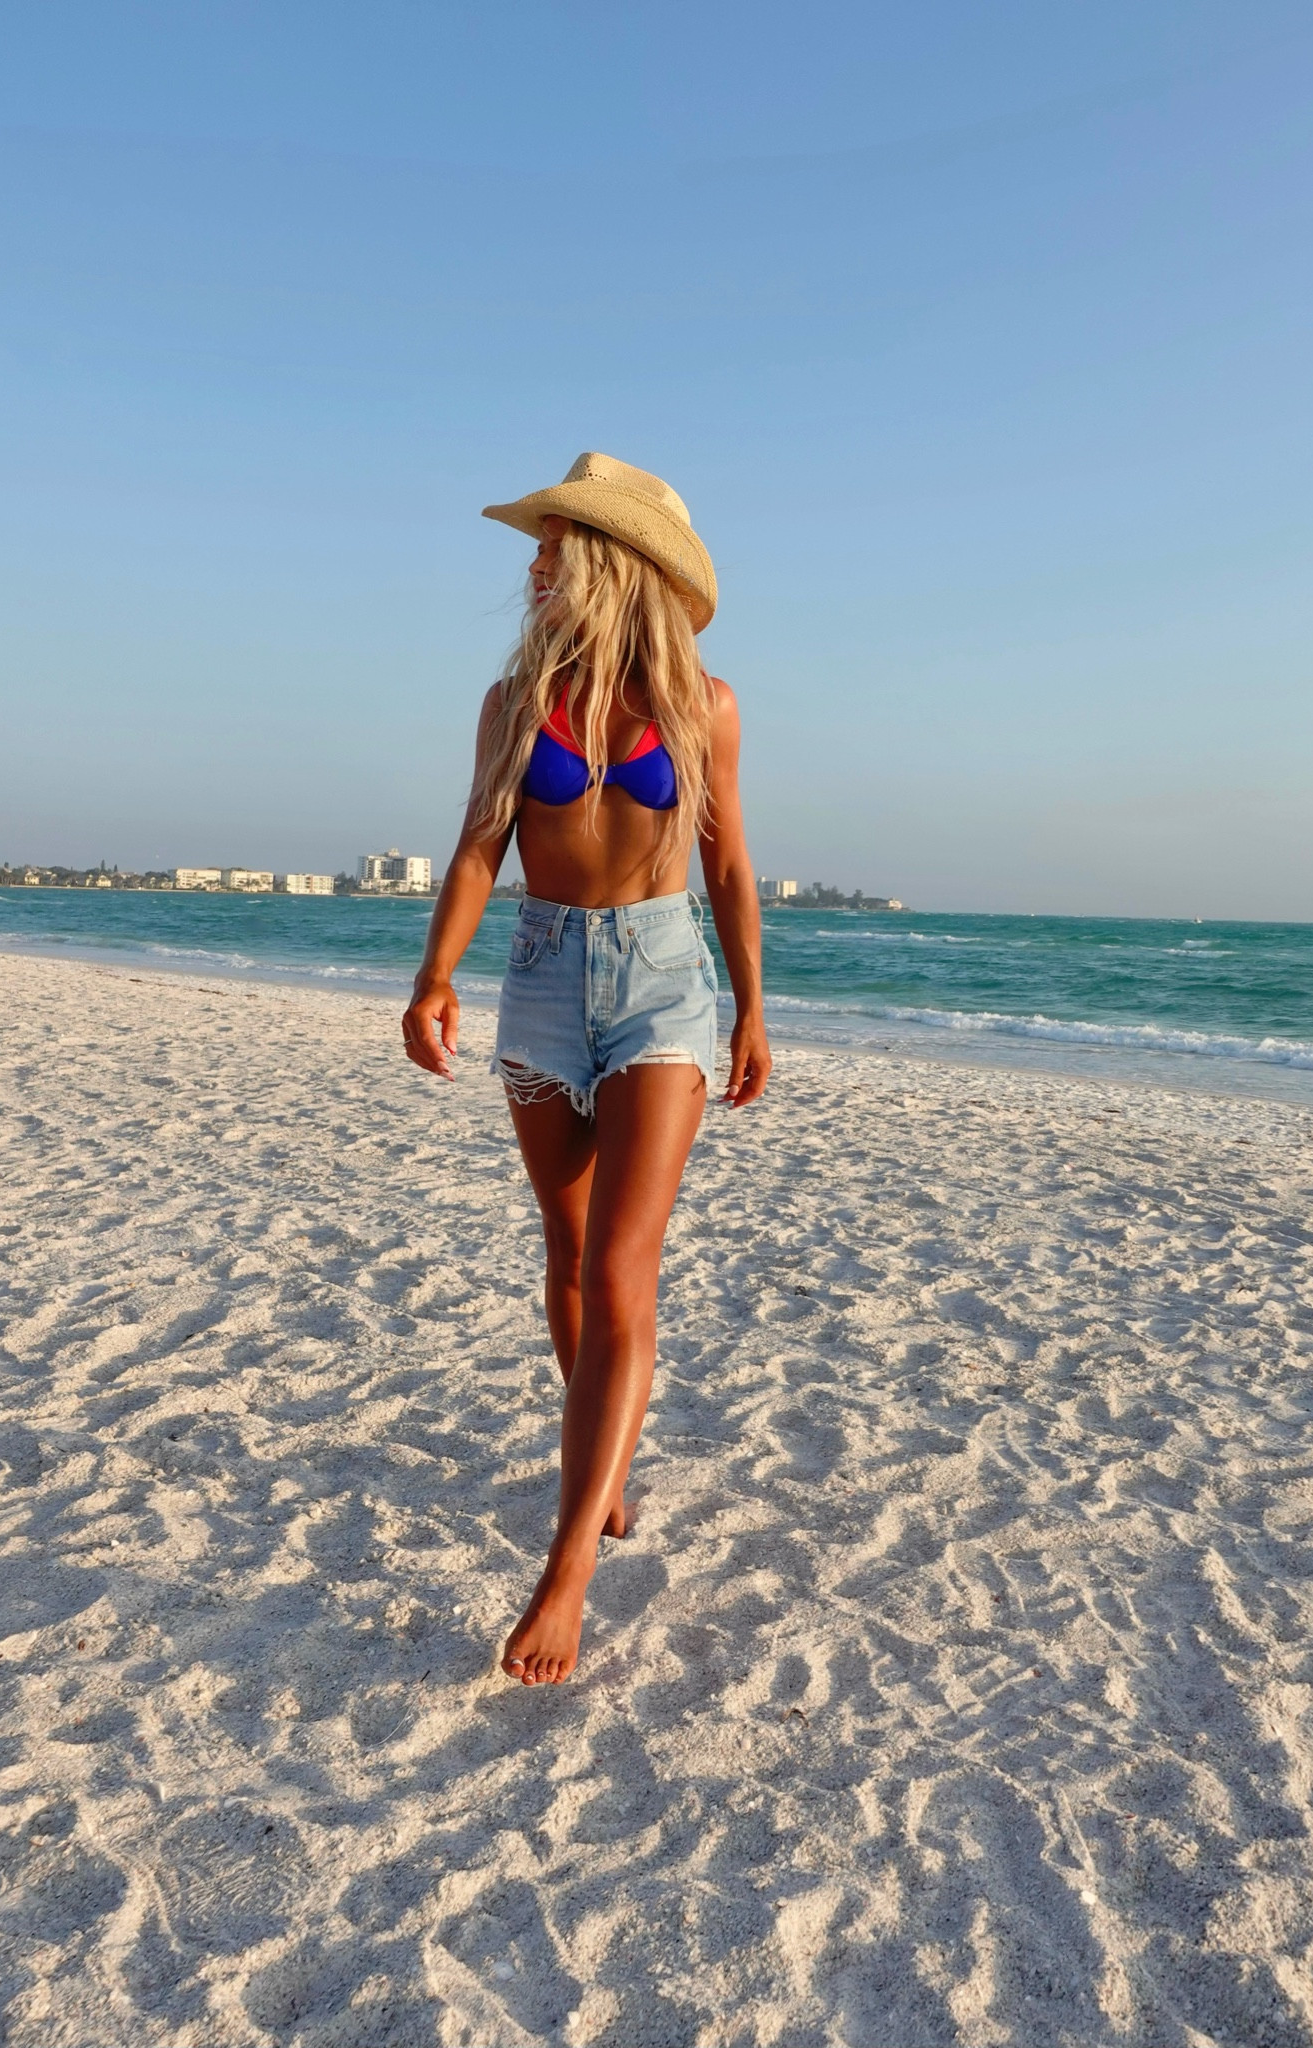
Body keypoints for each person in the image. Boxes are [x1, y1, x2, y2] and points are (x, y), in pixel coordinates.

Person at [402, 453, 771, 1686]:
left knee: (621, 1265)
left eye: (553, 546)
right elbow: (475, 846)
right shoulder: (514, 701)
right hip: (547, 976)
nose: (534, 564)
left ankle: (568, 1568)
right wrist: (432, 976)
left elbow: (726, 868)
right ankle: (602, 1465)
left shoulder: (702, 703)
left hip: (664, 981)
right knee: (564, 1260)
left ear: (608, 562)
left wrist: (752, 1010)